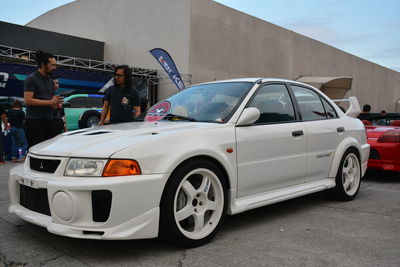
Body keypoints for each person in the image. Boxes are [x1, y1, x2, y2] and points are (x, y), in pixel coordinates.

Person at [24, 51, 63, 147]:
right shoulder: (31, 79)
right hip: (35, 122)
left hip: (49, 121)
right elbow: (28, 100)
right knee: (35, 153)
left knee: (49, 154)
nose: (55, 68)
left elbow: (51, 100)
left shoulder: (50, 80)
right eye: (52, 65)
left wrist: (55, 102)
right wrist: (50, 101)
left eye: (55, 65)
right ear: (43, 64)